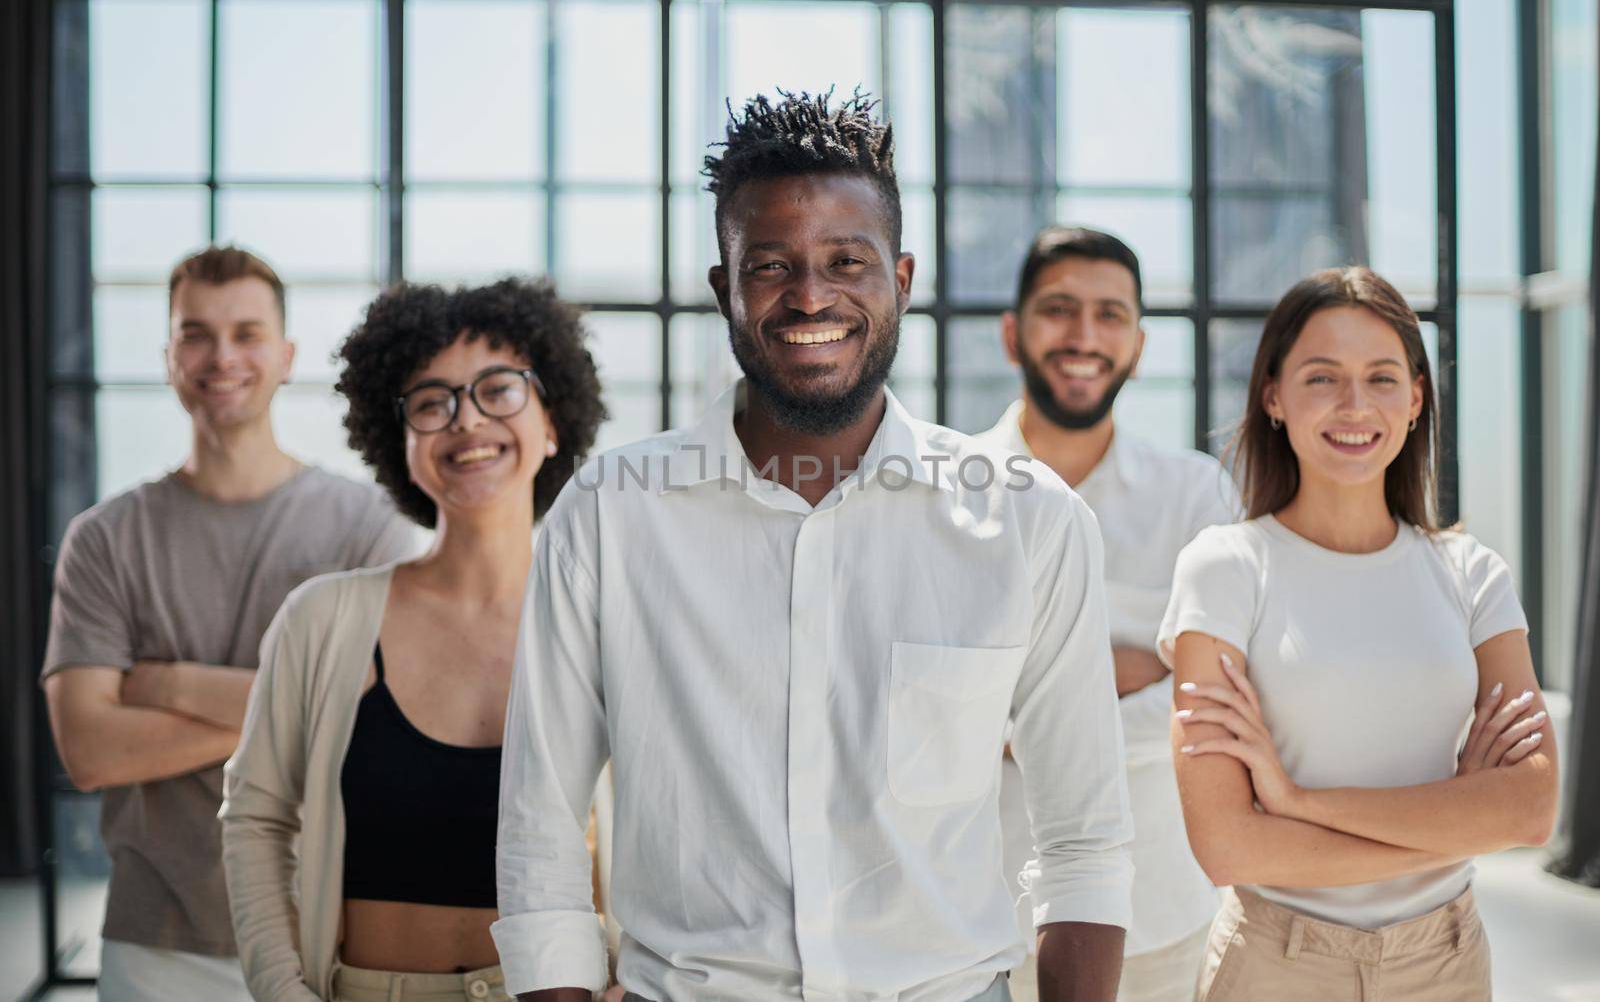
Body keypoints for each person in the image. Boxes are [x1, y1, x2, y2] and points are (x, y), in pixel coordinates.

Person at [491, 89, 1134, 1002]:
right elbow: (540, 831)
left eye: (846, 260)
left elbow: (1084, 841)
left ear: (901, 280)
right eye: (769, 265)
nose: (809, 296)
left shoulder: (1031, 521)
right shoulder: (609, 514)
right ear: (724, 288)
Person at [1160, 267, 1558, 1000]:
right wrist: (1457, 815)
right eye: (1322, 377)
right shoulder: (1224, 568)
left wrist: (1297, 802)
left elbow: (1530, 809)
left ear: (1415, 400)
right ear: (1274, 396)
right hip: (1276, 965)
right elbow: (1226, 844)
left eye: (1381, 377)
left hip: (1448, 961)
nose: (1354, 404)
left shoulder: (1473, 574)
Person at [40, 245, 417, 1001]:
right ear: (169, 356)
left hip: (331, 928)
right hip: (157, 944)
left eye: (247, 333)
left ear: (285, 355)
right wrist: (301, 709)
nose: (222, 356)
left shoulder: (367, 525)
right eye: (196, 334)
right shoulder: (104, 537)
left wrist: (166, 683)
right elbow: (88, 749)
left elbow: (373, 723)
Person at [219, 278, 606, 1002]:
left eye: (500, 388)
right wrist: (281, 989)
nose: (467, 420)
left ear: (553, 420)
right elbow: (256, 818)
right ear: (398, 441)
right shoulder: (322, 620)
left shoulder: (606, 621)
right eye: (432, 402)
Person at [976, 226, 1234, 1002]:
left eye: (1111, 314)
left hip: (1161, 920)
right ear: (1013, 333)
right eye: (1059, 308)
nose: (1085, 335)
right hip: (980, 926)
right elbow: (919, 701)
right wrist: (1132, 667)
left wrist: (1023, 712)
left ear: (1140, 344)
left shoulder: (1199, 497)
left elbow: (1216, 707)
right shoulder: (944, 495)